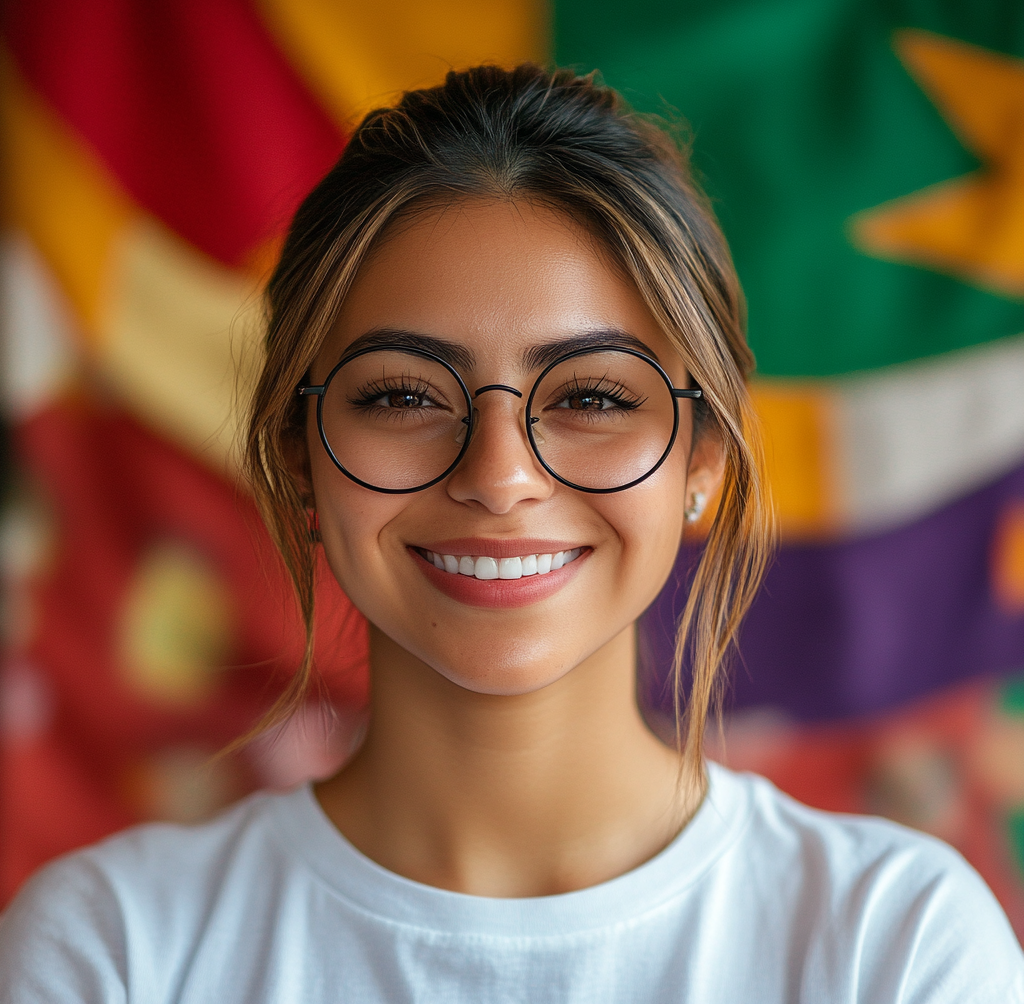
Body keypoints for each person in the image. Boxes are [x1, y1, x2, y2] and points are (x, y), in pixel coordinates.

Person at [1, 63, 1021, 1003]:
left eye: (589, 395)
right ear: (298, 452)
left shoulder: (894, 944)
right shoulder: (113, 949)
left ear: (702, 457)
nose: (499, 476)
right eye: (403, 394)